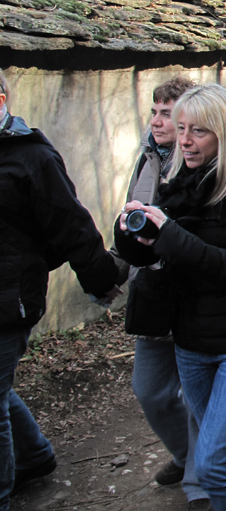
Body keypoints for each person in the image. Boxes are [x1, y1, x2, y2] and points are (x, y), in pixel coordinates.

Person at [114, 84, 226, 511]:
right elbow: (157, 254)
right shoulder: (177, 180)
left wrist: (170, 234)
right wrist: (130, 235)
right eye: (180, 127)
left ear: (224, 133)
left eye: (198, 131)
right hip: (190, 341)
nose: (183, 139)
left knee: (213, 465)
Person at [0, 70, 121, 508]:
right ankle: (34, 455)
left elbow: (71, 224)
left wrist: (102, 280)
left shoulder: (31, 157)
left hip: (9, 299)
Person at [111, 77, 211, 510]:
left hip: (194, 298)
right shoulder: (147, 159)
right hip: (151, 294)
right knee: (150, 391)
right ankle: (186, 454)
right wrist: (113, 274)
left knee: (196, 394)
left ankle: (199, 479)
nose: (157, 120)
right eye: (154, 111)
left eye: (167, 113)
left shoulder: (207, 167)